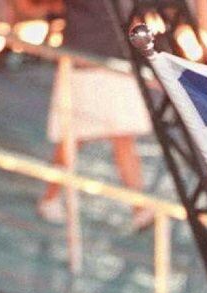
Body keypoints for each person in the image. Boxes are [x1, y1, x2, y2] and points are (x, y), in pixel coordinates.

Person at [37, 0, 153, 230]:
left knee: (122, 136)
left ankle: (139, 208)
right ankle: (50, 198)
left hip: (117, 60)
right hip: (85, 61)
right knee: (74, 137)